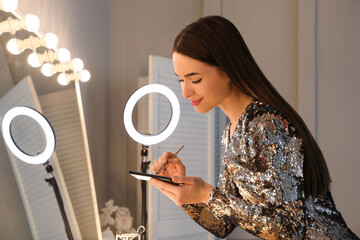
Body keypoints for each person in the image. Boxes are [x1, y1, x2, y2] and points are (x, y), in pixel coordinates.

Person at [149, 16, 359, 239]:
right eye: (181, 80)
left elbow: (290, 230)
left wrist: (207, 194)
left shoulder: (266, 125)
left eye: (196, 79)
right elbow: (223, 225)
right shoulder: (230, 133)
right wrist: (185, 193)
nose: (185, 92)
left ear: (227, 69)